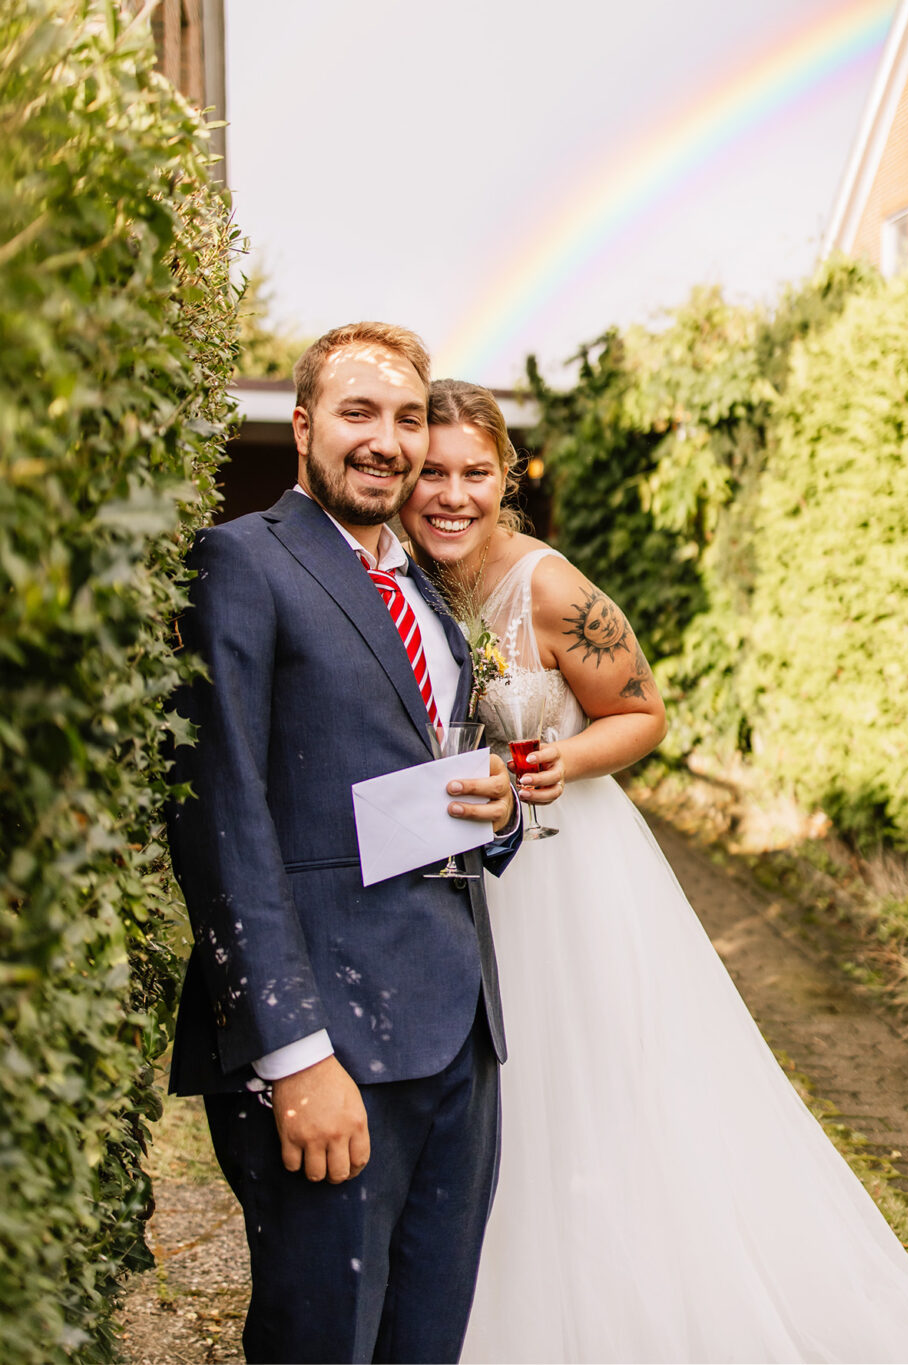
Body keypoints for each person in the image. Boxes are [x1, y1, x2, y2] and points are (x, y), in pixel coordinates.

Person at [398, 383, 908, 1363]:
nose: (452, 495)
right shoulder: (399, 577)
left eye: (475, 473)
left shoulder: (548, 589)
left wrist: (558, 761)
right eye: (433, 472)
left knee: (578, 1085)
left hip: (562, 870)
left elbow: (642, 713)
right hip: (452, 877)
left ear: (508, 479)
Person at [165, 323, 524, 1363]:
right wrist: (296, 1054)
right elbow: (220, 816)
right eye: (359, 412)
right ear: (304, 424)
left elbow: (426, 776)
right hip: (334, 1045)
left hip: (460, 1036)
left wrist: (496, 814)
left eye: (406, 416)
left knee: (426, 1344)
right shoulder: (240, 563)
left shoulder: (425, 592)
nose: (387, 439)